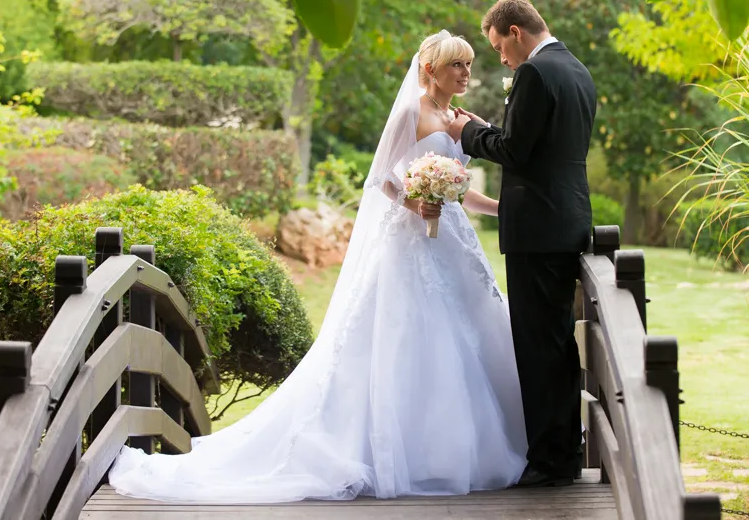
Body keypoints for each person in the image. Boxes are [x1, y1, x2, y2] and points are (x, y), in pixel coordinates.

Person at [107, 31, 528, 504]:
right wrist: (417, 204)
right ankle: (402, 452)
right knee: (411, 337)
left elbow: (459, 189)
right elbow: (382, 179)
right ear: (431, 70)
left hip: (453, 241)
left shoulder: (459, 120)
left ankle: (462, 446)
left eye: (469, 65)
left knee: (469, 334)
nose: (466, 74)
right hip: (412, 243)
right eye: (457, 66)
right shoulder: (411, 112)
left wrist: (500, 209)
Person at [448, 0, 596, 488]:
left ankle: (551, 462)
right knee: (555, 343)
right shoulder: (576, 69)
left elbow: (515, 151)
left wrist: (468, 133)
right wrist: (487, 128)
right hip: (566, 220)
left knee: (539, 348)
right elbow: (538, 146)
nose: (502, 59)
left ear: (515, 31)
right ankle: (564, 452)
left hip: (537, 230)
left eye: (498, 48)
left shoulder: (535, 73)